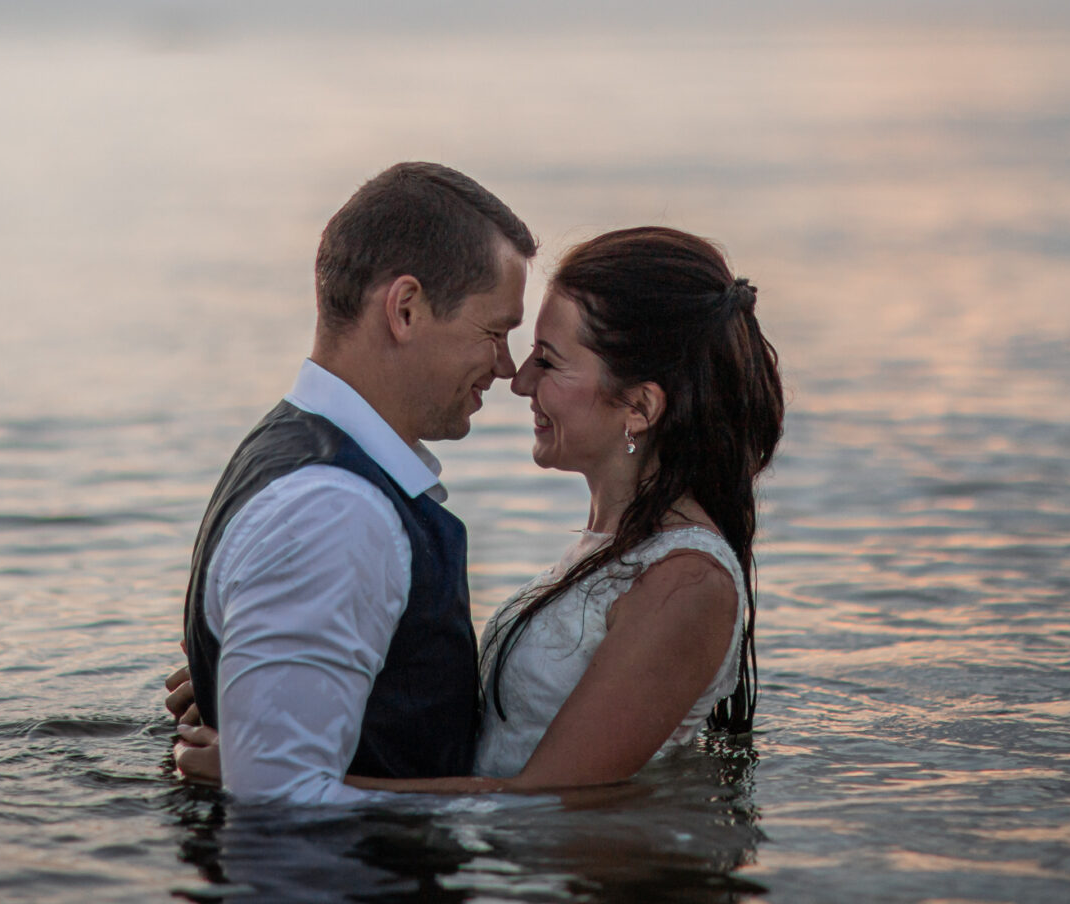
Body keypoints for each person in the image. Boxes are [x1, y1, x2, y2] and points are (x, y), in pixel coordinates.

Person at [176, 226, 783, 795]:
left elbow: (546, 806)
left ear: (640, 407)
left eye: (547, 359)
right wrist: (284, 686)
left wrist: (267, 772)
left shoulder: (686, 582)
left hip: (587, 901)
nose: (517, 381)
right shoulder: (614, 547)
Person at [169, 161, 536, 804]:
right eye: (495, 332)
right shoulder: (336, 510)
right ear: (406, 308)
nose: (506, 367)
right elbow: (282, 804)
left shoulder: (291, 450)